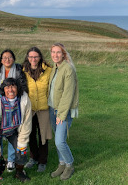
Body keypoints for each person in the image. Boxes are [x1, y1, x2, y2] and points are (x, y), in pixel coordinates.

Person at [48, 43, 79, 181]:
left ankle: (70, 165)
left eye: (58, 52)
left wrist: (61, 114)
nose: (55, 55)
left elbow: (68, 94)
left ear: (63, 54)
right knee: (57, 139)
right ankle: (62, 164)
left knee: (60, 142)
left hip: (62, 111)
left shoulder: (68, 69)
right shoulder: (55, 68)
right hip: (51, 109)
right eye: (53, 52)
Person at [0, 49, 28, 172]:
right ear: (1, 60)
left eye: (9, 57)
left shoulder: (19, 69)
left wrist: (19, 100)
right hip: (0, 105)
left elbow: (23, 86)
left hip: (15, 104)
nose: (7, 60)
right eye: (4, 57)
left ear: (13, 58)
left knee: (12, 131)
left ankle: (11, 160)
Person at [22, 47, 52, 172]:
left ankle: (42, 161)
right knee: (30, 134)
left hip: (44, 108)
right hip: (30, 109)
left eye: (36, 57)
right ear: (27, 58)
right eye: (31, 57)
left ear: (40, 57)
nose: (33, 59)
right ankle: (33, 158)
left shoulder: (49, 70)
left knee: (43, 136)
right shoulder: (23, 71)